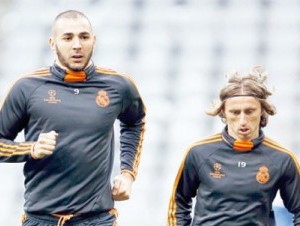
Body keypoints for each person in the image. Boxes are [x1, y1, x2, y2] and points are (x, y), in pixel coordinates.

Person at [0, 10, 146, 226]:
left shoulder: (119, 86)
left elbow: (135, 122)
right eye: (67, 38)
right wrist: (30, 149)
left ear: (93, 41)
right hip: (41, 219)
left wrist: (127, 174)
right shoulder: (27, 87)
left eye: (84, 37)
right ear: (52, 43)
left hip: (98, 220)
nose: (77, 45)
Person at [167, 66, 300, 225]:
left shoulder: (282, 159)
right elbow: (179, 202)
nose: (243, 120)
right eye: (235, 112)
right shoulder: (199, 152)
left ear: (262, 110)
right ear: (223, 113)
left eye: (249, 111)